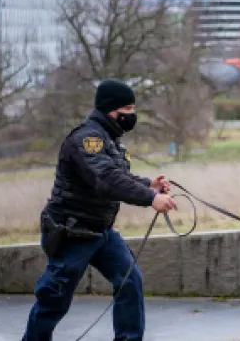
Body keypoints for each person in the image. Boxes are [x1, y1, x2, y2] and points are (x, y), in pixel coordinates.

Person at [23, 79, 177, 341]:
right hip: (72, 231)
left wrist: (148, 184)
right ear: (110, 109)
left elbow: (119, 176)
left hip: (101, 231)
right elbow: (106, 179)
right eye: (127, 108)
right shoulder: (87, 139)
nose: (132, 115)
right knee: (54, 298)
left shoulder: (110, 139)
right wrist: (150, 198)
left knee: (130, 281)